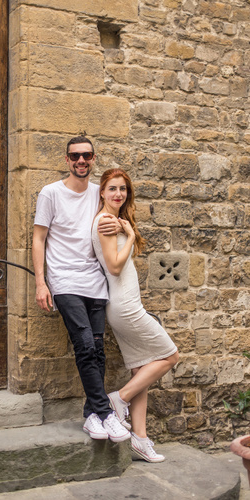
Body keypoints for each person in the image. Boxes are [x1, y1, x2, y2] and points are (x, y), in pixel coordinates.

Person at [32, 136, 131, 443]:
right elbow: (39, 238)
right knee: (85, 344)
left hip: (96, 284)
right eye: (75, 156)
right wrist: (40, 282)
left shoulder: (98, 194)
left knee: (98, 350)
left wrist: (122, 228)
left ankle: (91, 415)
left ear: (93, 158)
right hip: (64, 281)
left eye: (86, 155)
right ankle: (106, 412)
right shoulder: (50, 193)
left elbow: (111, 221)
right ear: (67, 159)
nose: (81, 161)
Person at [92, 168, 179, 462]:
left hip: (123, 304)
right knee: (169, 356)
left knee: (142, 368)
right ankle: (118, 399)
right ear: (102, 192)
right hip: (125, 306)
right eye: (113, 188)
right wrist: (129, 235)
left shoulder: (116, 220)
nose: (118, 194)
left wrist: (126, 229)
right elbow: (114, 266)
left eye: (123, 189)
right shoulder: (106, 222)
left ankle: (139, 440)